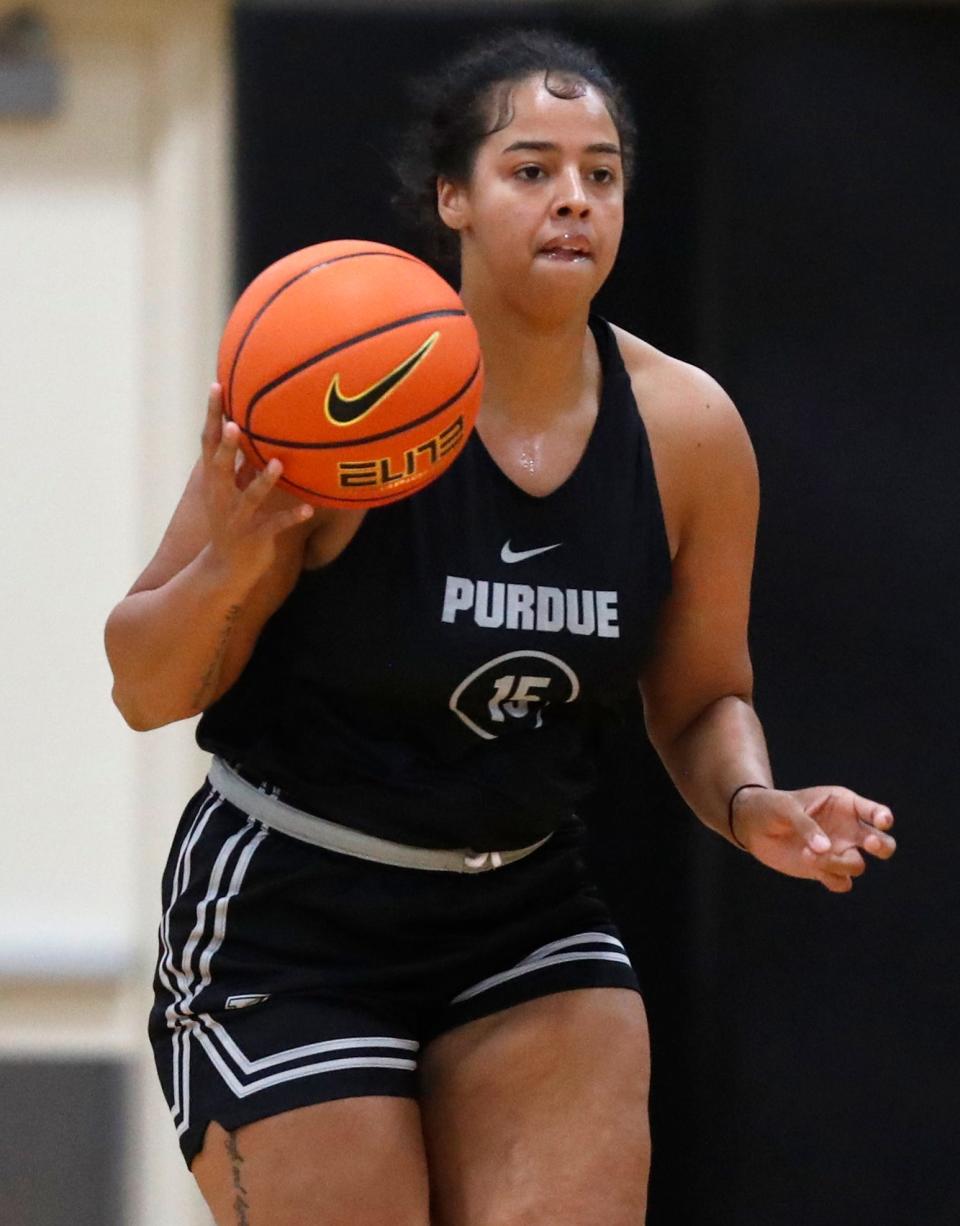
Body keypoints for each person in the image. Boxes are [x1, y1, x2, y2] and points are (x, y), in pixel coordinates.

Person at [104, 28, 896, 1226]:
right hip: (293, 905)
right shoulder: (332, 389)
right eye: (532, 168)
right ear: (453, 198)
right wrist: (247, 550)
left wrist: (753, 803)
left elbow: (699, 696)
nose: (574, 197)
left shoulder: (687, 430)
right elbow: (142, 682)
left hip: (519, 901)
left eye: (603, 171)